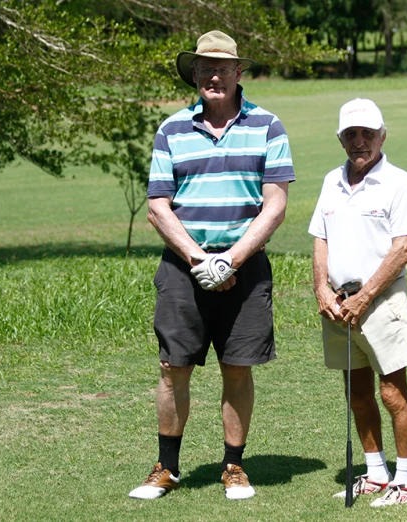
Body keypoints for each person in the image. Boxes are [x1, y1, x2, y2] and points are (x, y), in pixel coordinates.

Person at [128, 30, 294, 501]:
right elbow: (159, 205)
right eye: (204, 69)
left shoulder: (268, 126)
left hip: (247, 267)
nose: (213, 76)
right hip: (184, 267)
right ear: (194, 75)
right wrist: (201, 260)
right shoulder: (172, 129)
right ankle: (167, 467)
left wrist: (232, 261)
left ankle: (234, 466)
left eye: (222, 68)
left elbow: (275, 206)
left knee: (237, 368)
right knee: (172, 367)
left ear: (239, 73)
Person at [308, 99, 407, 507]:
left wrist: (367, 295)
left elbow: (403, 248)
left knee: (393, 393)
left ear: (382, 136)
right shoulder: (330, 182)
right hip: (339, 304)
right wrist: (321, 288)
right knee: (357, 392)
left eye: (367, 134)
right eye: (351, 135)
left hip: (381, 301)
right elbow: (320, 239)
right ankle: (376, 472)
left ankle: (406, 479)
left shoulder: (398, 182)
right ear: (340, 139)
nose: (360, 142)